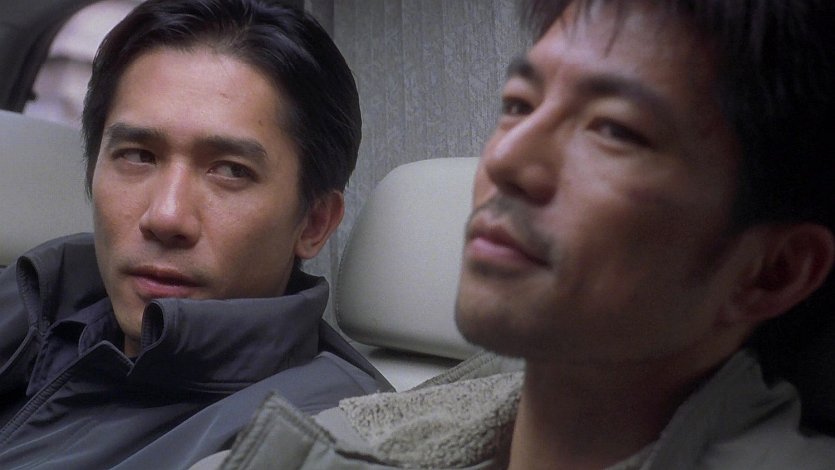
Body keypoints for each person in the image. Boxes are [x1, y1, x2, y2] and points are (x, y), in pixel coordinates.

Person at [209, 0, 835, 468]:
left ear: (772, 271)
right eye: (518, 105)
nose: (505, 159)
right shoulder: (321, 441)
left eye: (615, 129)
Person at [0, 0, 391, 468]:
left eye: (230, 170)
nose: (166, 217)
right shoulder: (42, 294)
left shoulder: (308, 437)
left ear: (314, 222)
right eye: (138, 155)